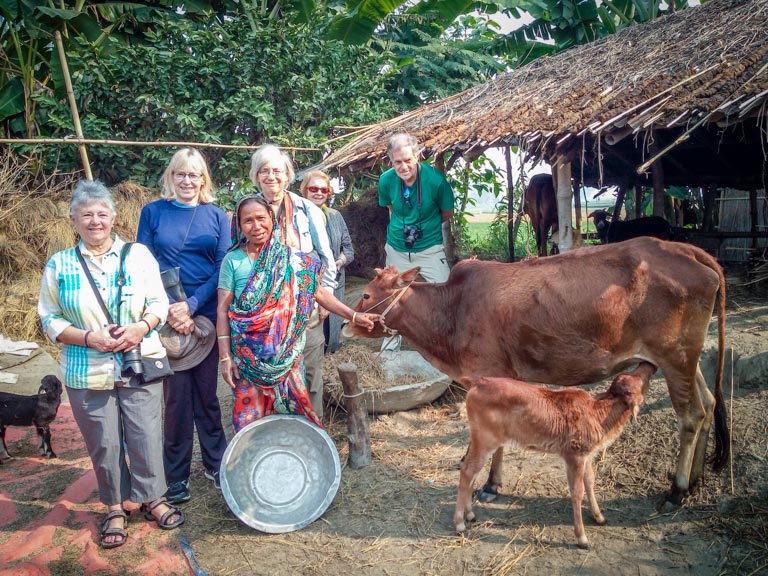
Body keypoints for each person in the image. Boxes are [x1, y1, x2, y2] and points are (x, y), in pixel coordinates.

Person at [38, 180, 184, 549]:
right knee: (103, 442)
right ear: (73, 220)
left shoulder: (138, 256)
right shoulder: (60, 264)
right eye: (86, 214)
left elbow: (159, 303)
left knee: (145, 433)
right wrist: (90, 338)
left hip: (141, 361)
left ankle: (153, 498)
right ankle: (115, 506)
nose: (95, 221)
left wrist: (139, 328)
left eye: (102, 213)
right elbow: (49, 319)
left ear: (114, 217)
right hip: (85, 367)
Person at [216, 195, 378, 432]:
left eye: (261, 218)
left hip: (287, 357)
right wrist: (225, 357)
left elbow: (320, 294)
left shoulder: (292, 258)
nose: (256, 226)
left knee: (294, 419)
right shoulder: (233, 260)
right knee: (251, 424)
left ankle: (297, 461)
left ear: (272, 220)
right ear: (239, 225)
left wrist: (354, 316)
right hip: (247, 360)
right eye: (247, 220)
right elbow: (222, 310)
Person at [137, 148, 229, 504]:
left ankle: (216, 463)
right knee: (175, 400)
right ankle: (175, 475)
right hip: (163, 320)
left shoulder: (216, 216)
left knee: (207, 396)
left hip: (205, 318)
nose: (187, 181)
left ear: (203, 180)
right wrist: (172, 309)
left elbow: (223, 265)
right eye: (181, 174)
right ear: (170, 177)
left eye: (194, 175)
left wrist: (190, 305)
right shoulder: (153, 212)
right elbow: (143, 263)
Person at [247, 144, 337, 420]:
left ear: (287, 175)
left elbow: (325, 258)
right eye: (264, 171)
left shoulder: (306, 210)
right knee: (269, 379)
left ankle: (314, 439)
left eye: (277, 170)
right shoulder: (248, 209)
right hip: (264, 316)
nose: (271, 176)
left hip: (305, 310)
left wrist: (327, 296)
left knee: (310, 376)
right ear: (256, 176)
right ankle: (278, 437)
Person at [378, 133, 455, 350]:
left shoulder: (436, 181)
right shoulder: (386, 180)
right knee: (390, 298)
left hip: (430, 248)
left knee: (444, 296)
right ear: (390, 161)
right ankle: (390, 349)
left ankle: (446, 347)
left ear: (418, 156)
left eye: (407, 160)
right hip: (397, 248)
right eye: (397, 162)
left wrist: (424, 227)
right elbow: (391, 210)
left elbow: (446, 212)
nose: (403, 167)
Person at [300, 170, 355, 354]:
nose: (319, 193)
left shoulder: (335, 216)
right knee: (309, 337)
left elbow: (348, 249)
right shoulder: (297, 217)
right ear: (304, 190)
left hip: (334, 283)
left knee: (331, 334)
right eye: (313, 188)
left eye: (324, 190)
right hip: (307, 285)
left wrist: (338, 262)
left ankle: (328, 371)